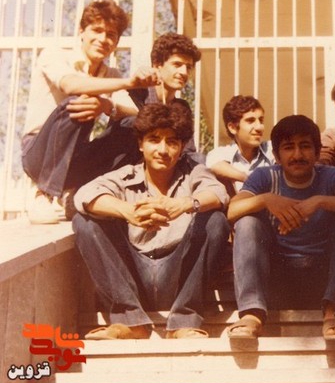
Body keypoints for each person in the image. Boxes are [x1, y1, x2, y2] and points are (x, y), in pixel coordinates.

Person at [227, 114, 335, 367]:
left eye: (305, 146)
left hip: (325, 280)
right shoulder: (265, 177)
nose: (297, 155)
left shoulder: (330, 176)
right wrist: (266, 200)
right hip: (280, 278)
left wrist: (319, 201)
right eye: (289, 147)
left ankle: (332, 312)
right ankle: (252, 313)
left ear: (317, 152)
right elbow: (232, 210)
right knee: (247, 222)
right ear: (276, 155)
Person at [72, 101, 230, 340]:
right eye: (154, 140)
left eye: (172, 142)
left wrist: (184, 204)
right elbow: (84, 195)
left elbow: (218, 193)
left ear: (181, 147)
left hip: (179, 278)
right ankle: (129, 321)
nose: (163, 150)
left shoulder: (194, 172)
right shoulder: (125, 175)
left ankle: (183, 323)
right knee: (84, 221)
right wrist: (128, 211)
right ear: (141, 144)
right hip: (132, 280)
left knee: (215, 220)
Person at [22, 0, 160, 224]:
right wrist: (128, 82)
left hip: (76, 157)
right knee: (81, 102)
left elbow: (135, 113)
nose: (103, 39)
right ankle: (43, 194)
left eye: (111, 35)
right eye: (96, 30)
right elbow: (71, 85)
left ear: (116, 42)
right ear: (82, 31)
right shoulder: (55, 55)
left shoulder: (111, 74)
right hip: (38, 154)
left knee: (133, 126)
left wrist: (106, 106)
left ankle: (78, 192)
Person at [128, 32, 204, 164]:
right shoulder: (138, 94)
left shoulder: (181, 108)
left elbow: (188, 152)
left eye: (188, 67)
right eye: (177, 65)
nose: (184, 72)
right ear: (157, 65)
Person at [206, 95, 274, 196]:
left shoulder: (271, 149)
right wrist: (250, 180)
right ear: (232, 128)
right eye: (250, 121)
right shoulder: (222, 153)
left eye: (261, 120)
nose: (259, 127)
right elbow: (213, 164)